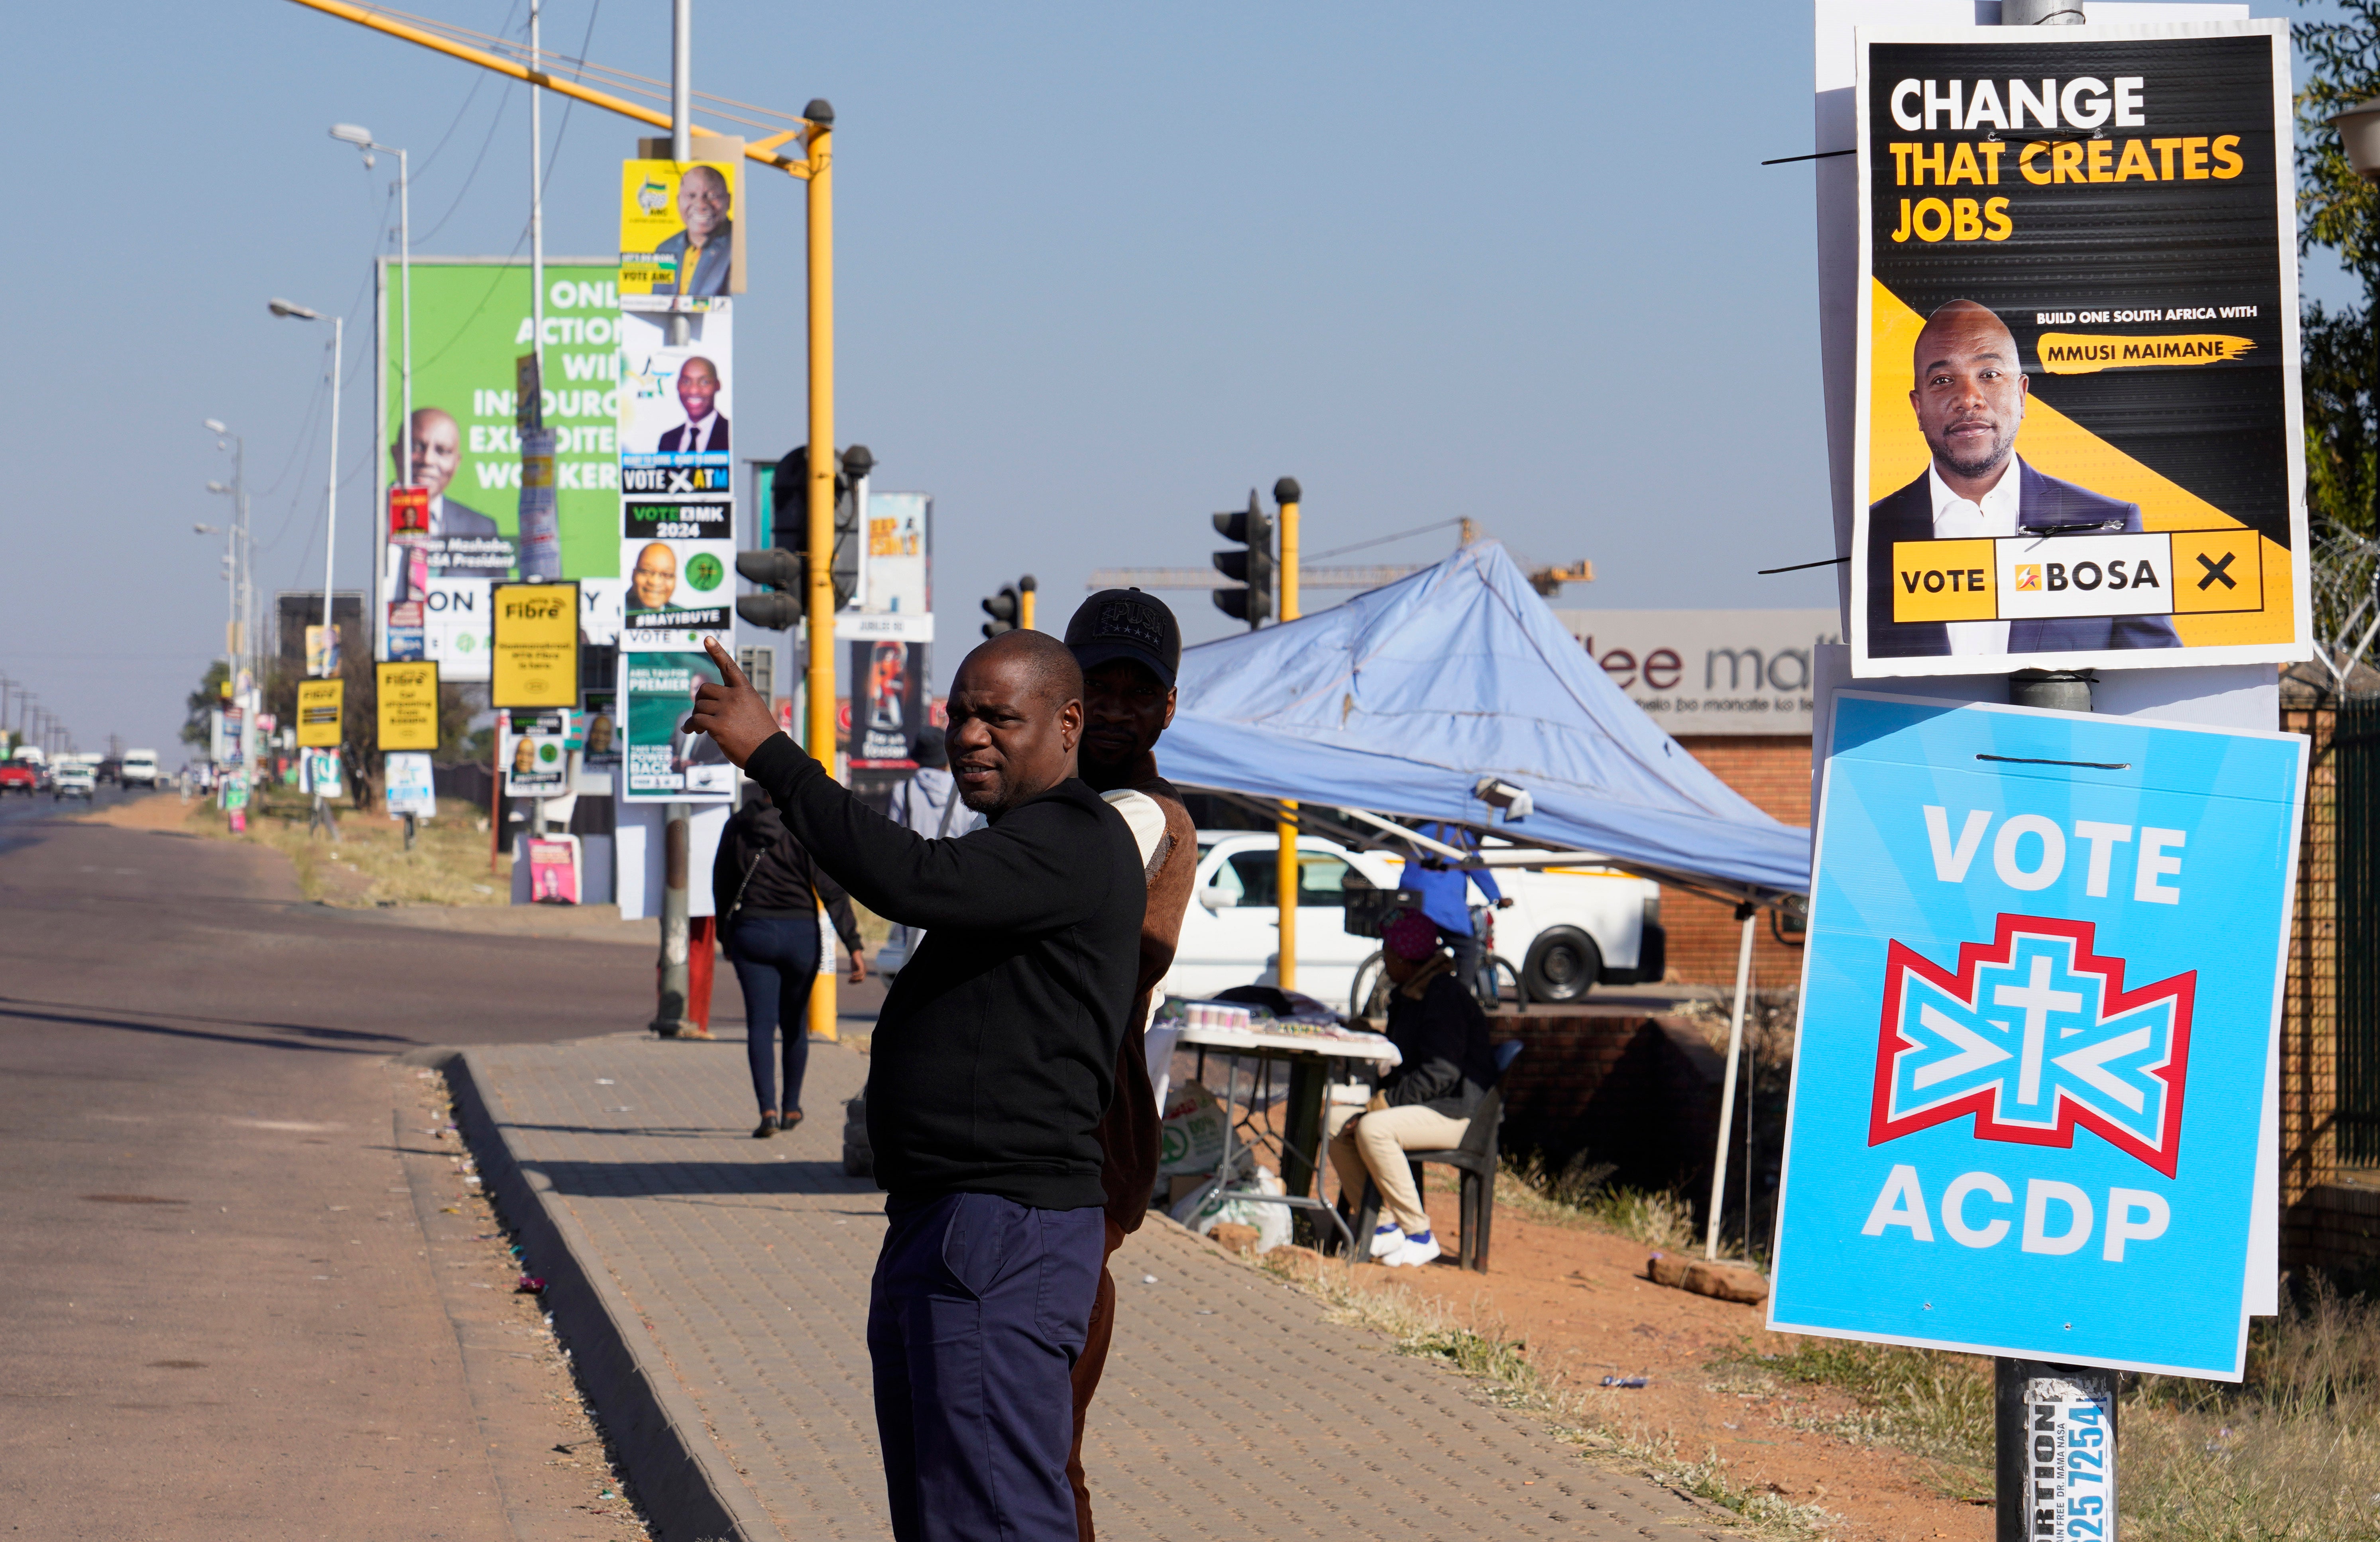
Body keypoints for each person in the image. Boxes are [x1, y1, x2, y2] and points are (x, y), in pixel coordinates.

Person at [685, 628, 1145, 1542]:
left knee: (996, 1521)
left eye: (999, 717)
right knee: (946, 1518)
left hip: (1001, 1235)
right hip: (943, 1225)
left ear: (1067, 724)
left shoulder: (1073, 839)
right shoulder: (1022, 847)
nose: (969, 735)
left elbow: (910, 878)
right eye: (959, 714)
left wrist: (775, 756)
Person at [1061, 588, 1199, 1542]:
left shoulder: (1148, 821)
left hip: (1082, 1146)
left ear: (1167, 707)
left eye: (1134, 690)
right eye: (1095, 687)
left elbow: (1107, 959)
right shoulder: (1046, 804)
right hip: (1019, 1156)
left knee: (1041, 1440)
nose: (1115, 707)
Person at [1866, 299, 2182, 659]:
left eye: (1988, 375)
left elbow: (2157, 680)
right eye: (1942, 380)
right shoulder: (1868, 536)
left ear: (2021, 394)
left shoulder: (2107, 528)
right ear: (1918, 408)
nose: (1968, 398)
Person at [1328, 909, 1501, 1268]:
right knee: (1332, 1121)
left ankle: (1419, 1234)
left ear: (1406, 959)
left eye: (1387, 954)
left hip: (1457, 1113)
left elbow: (1441, 1072)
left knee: (1374, 1128)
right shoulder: (1411, 993)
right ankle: (1383, 1227)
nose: (1384, 962)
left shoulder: (1443, 997)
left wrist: (1385, 1102)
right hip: (1428, 1106)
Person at [714, 783, 867, 1137]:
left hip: (751, 933)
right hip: (800, 936)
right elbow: (832, 891)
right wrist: (855, 947)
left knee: (760, 1025)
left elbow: (722, 883)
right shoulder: (804, 828)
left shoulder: (738, 825)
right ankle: (792, 1108)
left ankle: (767, 1111)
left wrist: (726, 935)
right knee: (795, 1024)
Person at [878, 728, 984, 974]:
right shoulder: (964, 788)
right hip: (958, 878)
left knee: (915, 957)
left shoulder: (903, 791)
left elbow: (895, 839)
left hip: (917, 878)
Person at [389, 406, 511, 579]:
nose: (428, 460)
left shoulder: (481, 529)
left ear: (456, 463)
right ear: (396, 454)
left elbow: (497, 599)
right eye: (416, 447)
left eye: (442, 451)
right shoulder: (364, 520)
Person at [1404, 821, 1512, 1001]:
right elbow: (1478, 869)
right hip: (1445, 911)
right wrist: (1497, 898)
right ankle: (1460, 1000)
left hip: (1412, 904)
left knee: (1423, 950)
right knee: (1468, 950)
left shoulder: (1420, 832)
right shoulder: (1460, 839)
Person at [653, 164, 733, 298]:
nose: (701, 205)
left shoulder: (736, 245)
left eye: (712, 196)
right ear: (678, 202)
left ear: (728, 201)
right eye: (691, 196)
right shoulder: (665, 249)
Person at [657, 357, 729, 452]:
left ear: (717, 385)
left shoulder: (731, 433)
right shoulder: (668, 440)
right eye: (686, 382)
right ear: (678, 385)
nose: (694, 391)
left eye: (705, 382)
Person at [628, 541, 678, 611]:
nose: (655, 582)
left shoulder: (682, 614)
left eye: (667, 575)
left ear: (675, 580)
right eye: (646, 572)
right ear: (634, 575)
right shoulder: (619, 611)